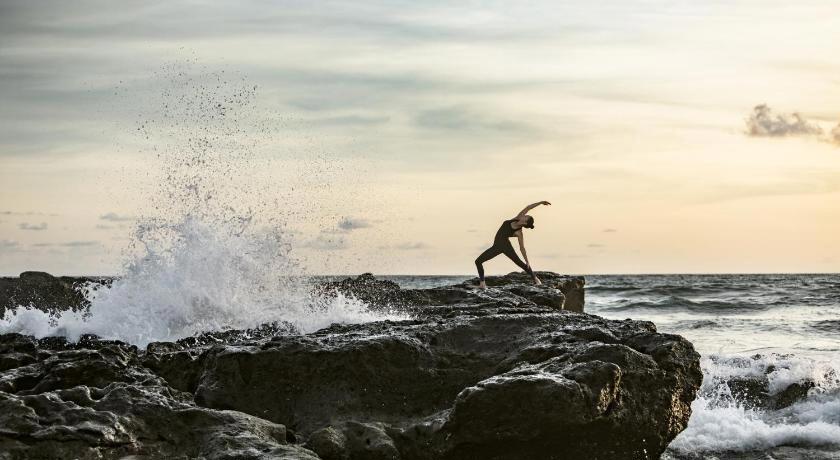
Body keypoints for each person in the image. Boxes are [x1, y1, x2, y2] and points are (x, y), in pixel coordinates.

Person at [475, 201, 551, 289]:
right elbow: (528, 207)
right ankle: (482, 284)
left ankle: (536, 279)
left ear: (525, 223)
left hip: (506, 247)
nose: (524, 215)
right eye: (526, 215)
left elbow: (522, 248)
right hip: (496, 246)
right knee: (478, 261)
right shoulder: (518, 217)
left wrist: (527, 261)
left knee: (520, 263)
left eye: (526, 217)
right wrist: (541, 202)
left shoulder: (519, 232)